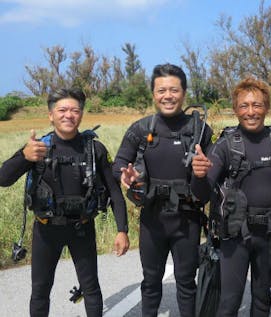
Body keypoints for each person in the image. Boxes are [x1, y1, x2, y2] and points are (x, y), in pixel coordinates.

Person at [0, 88, 130, 317]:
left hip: (82, 229)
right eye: (62, 110)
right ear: (50, 115)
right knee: (40, 290)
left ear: (81, 115)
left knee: (91, 288)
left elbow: (114, 192)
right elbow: (4, 179)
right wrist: (24, 155)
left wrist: (122, 230)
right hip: (46, 230)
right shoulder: (38, 148)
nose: (68, 115)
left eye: (74, 110)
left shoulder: (94, 149)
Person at [191, 76, 271, 317]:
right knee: (229, 302)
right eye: (244, 106)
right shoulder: (225, 145)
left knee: (262, 299)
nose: (251, 111)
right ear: (235, 109)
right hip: (234, 236)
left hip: (270, 234)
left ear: (266, 107)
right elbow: (200, 195)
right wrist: (199, 175)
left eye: (257, 105)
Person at [113, 63, 213, 317]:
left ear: (184, 92)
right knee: (151, 282)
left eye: (173, 90)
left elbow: (209, 181)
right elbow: (119, 165)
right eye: (161, 90)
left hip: (187, 219)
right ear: (153, 93)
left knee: (186, 282)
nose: (167, 96)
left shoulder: (199, 130)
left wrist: (204, 171)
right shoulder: (141, 128)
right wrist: (127, 176)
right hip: (152, 219)